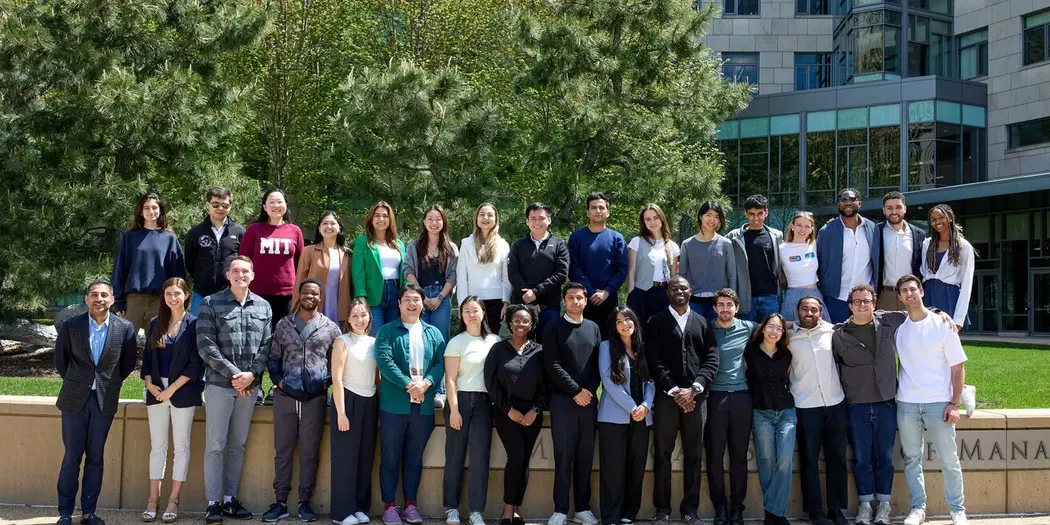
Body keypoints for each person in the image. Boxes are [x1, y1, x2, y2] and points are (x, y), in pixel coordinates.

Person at [54, 278, 138, 525]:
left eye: (104, 295)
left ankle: (89, 512)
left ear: (112, 299)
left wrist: (106, 383)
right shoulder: (71, 326)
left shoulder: (125, 328)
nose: (98, 299)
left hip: (104, 400)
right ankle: (65, 514)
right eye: (94, 294)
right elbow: (61, 361)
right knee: (72, 457)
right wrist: (79, 381)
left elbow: (127, 363)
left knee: (95, 458)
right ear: (86, 299)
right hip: (74, 399)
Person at [196, 255, 273, 523]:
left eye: (246, 271)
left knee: (237, 445)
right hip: (219, 385)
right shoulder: (210, 303)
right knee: (215, 445)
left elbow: (267, 346)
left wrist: (251, 375)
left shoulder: (263, 307)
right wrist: (235, 375)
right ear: (228, 275)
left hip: (248, 388)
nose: (241, 275)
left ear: (253, 275)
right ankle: (212, 503)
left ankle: (230, 499)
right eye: (235, 271)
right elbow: (206, 345)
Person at [262, 279, 342, 524]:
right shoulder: (284, 325)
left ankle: (305, 502)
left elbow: (338, 363)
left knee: (309, 452)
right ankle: (280, 502)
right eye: (306, 292)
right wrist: (279, 382)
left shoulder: (330, 328)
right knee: (283, 451)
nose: (310, 296)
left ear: (320, 297)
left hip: (314, 398)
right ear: (299, 295)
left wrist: (323, 384)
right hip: (286, 396)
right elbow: (273, 358)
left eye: (315, 293)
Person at [894, 275, 969, 525]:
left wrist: (955, 403)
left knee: (949, 459)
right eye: (904, 291)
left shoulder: (942, 324)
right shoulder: (899, 329)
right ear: (900, 297)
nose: (909, 294)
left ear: (922, 292)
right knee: (912, 458)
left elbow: (958, 367)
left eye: (913, 289)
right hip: (907, 403)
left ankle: (957, 510)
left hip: (939, 403)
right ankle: (918, 508)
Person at [645, 276, 720, 525]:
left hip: (697, 400)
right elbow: (653, 360)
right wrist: (675, 390)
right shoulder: (655, 322)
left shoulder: (703, 323)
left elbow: (712, 358)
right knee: (662, 455)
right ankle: (662, 510)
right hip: (667, 399)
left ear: (691, 291)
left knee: (693, 456)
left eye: (684, 287)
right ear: (667, 292)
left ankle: (691, 509)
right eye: (674, 287)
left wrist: (695, 389)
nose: (679, 291)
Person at [831, 285, 906, 525]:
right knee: (862, 458)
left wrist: (941, 312)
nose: (862, 305)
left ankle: (884, 505)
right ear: (850, 305)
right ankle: (865, 504)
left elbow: (918, 311)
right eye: (857, 302)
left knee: (884, 457)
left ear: (874, 303)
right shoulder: (839, 334)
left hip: (886, 403)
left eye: (867, 301)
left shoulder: (889, 321)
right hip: (857, 405)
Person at [374, 284, 446, 525]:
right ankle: (389, 506)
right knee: (391, 457)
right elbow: (384, 361)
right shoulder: (387, 331)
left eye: (417, 299)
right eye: (407, 299)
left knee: (414, 459)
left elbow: (440, 363)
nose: (412, 303)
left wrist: (426, 383)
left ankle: (410, 504)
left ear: (423, 303)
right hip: (395, 406)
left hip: (423, 407)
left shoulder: (434, 333)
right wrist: (408, 384)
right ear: (399, 303)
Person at [141, 278, 203, 523]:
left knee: (181, 447)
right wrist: (149, 383)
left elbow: (195, 365)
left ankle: (173, 501)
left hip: (182, 392)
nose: (172, 298)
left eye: (177, 293)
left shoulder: (195, 325)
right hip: (156, 391)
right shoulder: (156, 323)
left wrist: (171, 390)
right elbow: (147, 358)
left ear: (186, 295)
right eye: (168, 293)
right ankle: (152, 500)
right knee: (157, 447)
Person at [543, 282, 603, 525]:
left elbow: (599, 364)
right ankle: (560, 509)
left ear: (586, 300)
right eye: (570, 298)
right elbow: (552, 365)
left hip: (588, 402)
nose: (575, 301)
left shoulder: (594, 328)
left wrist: (587, 391)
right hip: (562, 401)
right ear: (563, 301)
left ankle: (582, 508)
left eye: (579, 297)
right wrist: (575, 391)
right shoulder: (553, 328)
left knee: (585, 456)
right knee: (564, 456)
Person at [788, 297, 848, 525]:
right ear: (797, 311)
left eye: (814, 309)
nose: (809, 313)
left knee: (837, 459)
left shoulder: (833, 332)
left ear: (820, 312)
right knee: (809, 461)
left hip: (835, 402)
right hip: (805, 406)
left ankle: (836, 509)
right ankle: (815, 512)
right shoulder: (790, 338)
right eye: (805, 309)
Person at [485, 305, 546, 525]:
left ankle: (516, 510)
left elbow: (545, 385)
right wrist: (508, 409)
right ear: (509, 323)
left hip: (532, 413)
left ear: (532, 325)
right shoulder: (498, 349)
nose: (521, 324)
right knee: (516, 456)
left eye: (526, 321)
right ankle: (507, 511)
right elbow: (491, 383)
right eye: (517, 320)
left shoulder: (539, 351)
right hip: (505, 412)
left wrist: (535, 410)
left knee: (524, 461)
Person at [443, 297, 501, 525]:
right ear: (461, 315)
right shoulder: (456, 342)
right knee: (454, 455)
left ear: (484, 313)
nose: (471, 314)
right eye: (466, 311)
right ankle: (451, 508)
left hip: (485, 403)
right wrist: (455, 410)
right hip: (461, 400)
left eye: (475, 310)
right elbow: (450, 379)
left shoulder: (495, 341)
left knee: (480, 457)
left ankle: (477, 510)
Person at [597, 307, 654, 525]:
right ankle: (611, 516)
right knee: (613, 468)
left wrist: (646, 406)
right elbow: (609, 382)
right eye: (619, 321)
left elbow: (651, 381)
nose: (624, 324)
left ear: (635, 322)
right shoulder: (606, 347)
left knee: (636, 467)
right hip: (614, 418)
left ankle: (629, 513)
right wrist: (633, 408)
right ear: (614, 326)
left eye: (628, 318)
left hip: (642, 417)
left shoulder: (643, 349)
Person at [706, 289, 755, 525]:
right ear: (715, 308)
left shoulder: (748, 327)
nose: (725, 309)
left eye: (729, 305)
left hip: (741, 397)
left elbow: (778, 330)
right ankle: (720, 508)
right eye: (721, 305)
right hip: (714, 397)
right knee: (714, 456)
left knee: (739, 457)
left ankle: (737, 508)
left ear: (737, 307)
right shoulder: (707, 329)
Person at [330, 298, 379, 525]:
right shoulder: (342, 342)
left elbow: (377, 377)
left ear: (369, 316)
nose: (360, 320)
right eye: (355, 316)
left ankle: (360, 506)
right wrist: (341, 413)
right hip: (347, 401)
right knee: (345, 459)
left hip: (370, 401)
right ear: (348, 320)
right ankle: (341, 512)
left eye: (363, 315)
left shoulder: (374, 342)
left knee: (365, 457)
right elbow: (337, 379)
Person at [111, 193, 186, 335]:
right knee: (126, 343)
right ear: (140, 211)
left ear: (160, 211)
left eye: (154, 207)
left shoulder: (169, 238)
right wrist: (119, 301)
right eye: (146, 208)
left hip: (159, 300)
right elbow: (120, 269)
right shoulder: (130, 237)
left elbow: (177, 274)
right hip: (133, 300)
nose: (151, 211)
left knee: (158, 344)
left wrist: (175, 300)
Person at [744, 313, 794, 525]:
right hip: (760, 411)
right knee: (766, 462)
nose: (775, 331)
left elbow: (788, 380)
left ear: (783, 333)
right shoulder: (750, 352)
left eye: (779, 328)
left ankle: (775, 511)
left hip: (786, 411)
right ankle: (773, 516)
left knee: (784, 460)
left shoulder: (786, 355)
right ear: (763, 328)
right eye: (771, 327)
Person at [239, 189, 304, 328]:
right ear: (264, 206)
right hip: (257, 292)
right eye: (272, 202)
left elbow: (301, 263)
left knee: (284, 335)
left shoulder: (295, 231)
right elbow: (243, 261)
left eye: (280, 201)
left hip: (287, 294)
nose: (276, 205)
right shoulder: (254, 229)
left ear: (286, 205)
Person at [568, 192, 628, 339]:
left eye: (601, 207)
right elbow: (572, 267)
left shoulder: (616, 238)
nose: (598, 211)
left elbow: (622, 269)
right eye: (593, 208)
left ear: (608, 212)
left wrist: (606, 291)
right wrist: (589, 290)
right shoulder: (576, 237)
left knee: (610, 340)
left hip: (609, 299)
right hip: (582, 299)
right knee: (584, 340)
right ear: (588, 212)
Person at [816, 188, 879, 324]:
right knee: (836, 338)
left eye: (851, 199)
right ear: (838, 204)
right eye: (843, 199)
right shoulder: (827, 231)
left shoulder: (873, 228)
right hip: (835, 297)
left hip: (864, 298)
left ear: (859, 203)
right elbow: (819, 263)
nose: (847, 203)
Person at [508, 202, 570, 336]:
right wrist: (531, 299)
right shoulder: (518, 245)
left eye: (541, 218)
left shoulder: (560, 245)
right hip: (522, 306)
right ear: (527, 221)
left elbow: (561, 274)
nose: (537, 222)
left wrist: (536, 292)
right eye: (533, 218)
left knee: (548, 345)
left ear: (549, 220)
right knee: (522, 347)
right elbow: (513, 273)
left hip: (549, 306)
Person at [185, 187, 245, 315]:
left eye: (225, 205)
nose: (220, 209)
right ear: (208, 205)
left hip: (230, 294)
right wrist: (202, 277)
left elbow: (244, 261)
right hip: (201, 294)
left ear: (230, 206)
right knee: (199, 332)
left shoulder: (239, 232)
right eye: (216, 205)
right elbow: (189, 262)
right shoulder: (196, 232)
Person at [404, 204, 459, 344]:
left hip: (442, 297)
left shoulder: (451, 248)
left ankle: (441, 366)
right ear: (424, 222)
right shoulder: (414, 246)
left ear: (443, 222)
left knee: (440, 339)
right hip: (419, 297)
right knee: (419, 338)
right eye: (430, 219)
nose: (434, 223)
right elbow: (408, 270)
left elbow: (453, 275)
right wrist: (422, 295)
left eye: (438, 219)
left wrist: (439, 298)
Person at [726, 195, 783, 322]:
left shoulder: (776, 235)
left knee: (769, 333)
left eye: (760, 213)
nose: (756, 218)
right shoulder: (734, 237)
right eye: (751, 214)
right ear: (745, 214)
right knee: (748, 336)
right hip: (745, 297)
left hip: (770, 295)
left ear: (766, 212)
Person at [353, 201, 406, 335]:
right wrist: (361, 295)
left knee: (394, 335)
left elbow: (404, 272)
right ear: (371, 218)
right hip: (373, 295)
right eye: (377, 215)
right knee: (375, 335)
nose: (381, 219)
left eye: (385, 216)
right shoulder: (362, 242)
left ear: (390, 219)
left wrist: (406, 295)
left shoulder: (398, 244)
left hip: (396, 294)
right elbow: (358, 271)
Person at [457, 203, 511, 335]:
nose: (485, 218)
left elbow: (506, 277)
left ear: (495, 219)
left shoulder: (503, 245)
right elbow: (461, 276)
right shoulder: (466, 243)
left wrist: (506, 303)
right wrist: (462, 305)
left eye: (490, 215)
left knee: (491, 339)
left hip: (495, 301)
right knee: (472, 338)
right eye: (482, 214)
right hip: (472, 302)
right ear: (476, 218)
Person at [292, 211, 352, 328]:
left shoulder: (347, 254)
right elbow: (299, 281)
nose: (328, 227)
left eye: (332, 223)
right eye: (324, 223)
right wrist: (295, 309)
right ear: (319, 228)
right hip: (315, 303)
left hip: (340, 305)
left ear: (339, 228)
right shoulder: (308, 251)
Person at [920, 205, 975, 329]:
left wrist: (958, 319)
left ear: (950, 217)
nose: (937, 222)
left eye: (941, 217)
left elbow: (966, 283)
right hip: (928, 295)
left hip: (949, 297)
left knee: (947, 344)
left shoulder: (964, 247)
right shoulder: (927, 244)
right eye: (933, 219)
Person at [679, 201, 736, 322]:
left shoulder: (726, 244)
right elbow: (682, 276)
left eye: (716, 216)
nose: (712, 220)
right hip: (694, 303)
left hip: (720, 305)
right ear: (700, 216)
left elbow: (732, 274)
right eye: (708, 215)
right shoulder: (687, 244)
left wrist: (732, 302)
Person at [626, 204, 680, 322]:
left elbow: (673, 276)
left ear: (662, 218)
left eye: (655, 218)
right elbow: (631, 272)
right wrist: (631, 298)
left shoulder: (672, 246)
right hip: (641, 294)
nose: (652, 222)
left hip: (664, 295)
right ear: (643, 222)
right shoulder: (637, 242)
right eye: (648, 219)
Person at [873, 192, 925, 312]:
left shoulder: (918, 234)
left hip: (910, 295)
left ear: (905, 209)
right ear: (884, 210)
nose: (894, 212)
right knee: (883, 331)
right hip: (885, 295)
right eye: (889, 208)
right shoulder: (875, 231)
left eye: (898, 207)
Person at [779, 211, 830, 322]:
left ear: (812, 229)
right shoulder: (782, 248)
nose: (802, 230)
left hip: (815, 295)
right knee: (792, 335)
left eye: (807, 226)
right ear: (792, 226)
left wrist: (832, 224)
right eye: (799, 225)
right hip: (793, 296)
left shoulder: (815, 245)